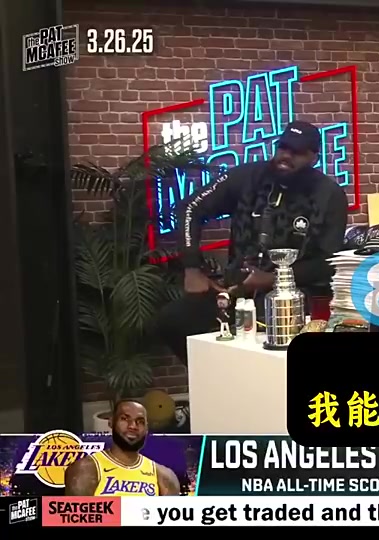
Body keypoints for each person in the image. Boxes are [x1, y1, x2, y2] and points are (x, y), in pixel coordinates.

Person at [154, 120, 349, 364]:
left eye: (297, 152)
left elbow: (328, 262)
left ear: (313, 157)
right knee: (174, 320)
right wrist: (192, 268)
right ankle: (215, 380)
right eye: (283, 147)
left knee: (267, 355)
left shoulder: (329, 195)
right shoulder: (248, 177)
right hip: (236, 292)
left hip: (296, 299)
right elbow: (190, 207)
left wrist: (273, 278)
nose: (286, 156)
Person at [64, 400, 179, 496]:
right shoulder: (86, 470)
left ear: (146, 429)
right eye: (124, 419)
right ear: (111, 422)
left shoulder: (165, 477)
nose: (133, 426)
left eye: (140, 422)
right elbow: (76, 515)